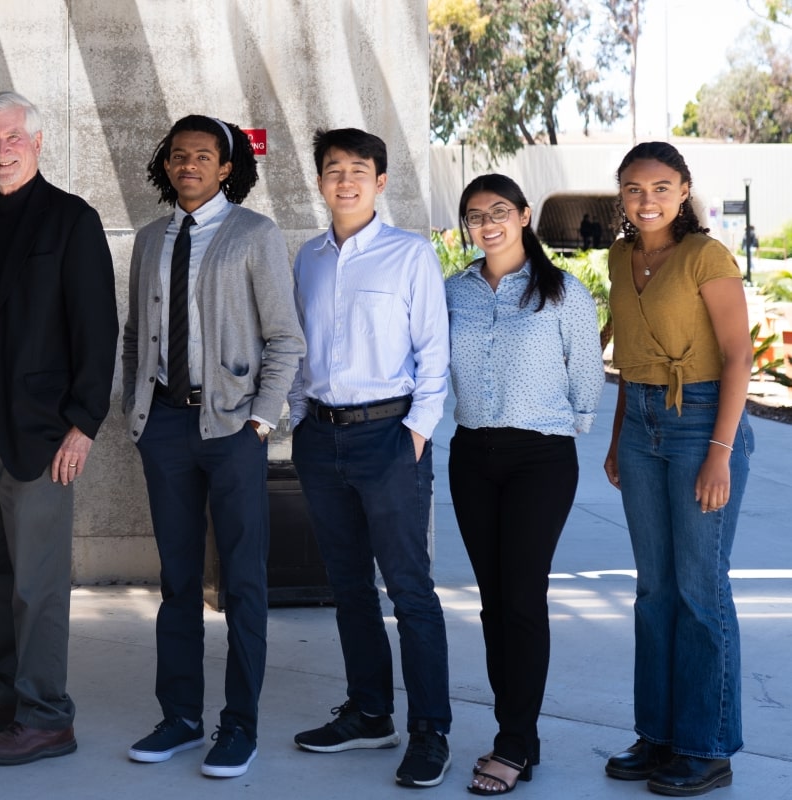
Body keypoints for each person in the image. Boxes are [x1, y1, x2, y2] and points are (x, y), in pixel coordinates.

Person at [0, 90, 118, 765]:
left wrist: (83, 425)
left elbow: (98, 331)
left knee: (36, 581)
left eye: (12, 138)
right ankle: (6, 693)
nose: (1, 150)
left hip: (39, 427)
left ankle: (47, 715)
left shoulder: (72, 220)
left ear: (36, 142)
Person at [120, 115, 303, 779]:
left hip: (232, 432)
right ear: (165, 165)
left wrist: (260, 421)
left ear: (226, 168)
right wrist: (135, 410)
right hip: (165, 428)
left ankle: (240, 725)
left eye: (203, 155)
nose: (189, 164)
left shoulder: (253, 234)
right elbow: (136, 334)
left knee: (243, 582)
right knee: (175, 581)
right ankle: (181, 717)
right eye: (178, 154)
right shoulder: (149, 239)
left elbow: (285, 338)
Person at [288, 128, 453, 788]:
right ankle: (370, 712)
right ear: (321, 181)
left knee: (410, 590)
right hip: (320, 439)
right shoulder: (306, 258)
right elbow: (297, 350)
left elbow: (434, 356)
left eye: (359, 170)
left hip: (390, 437)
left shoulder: (409, 255)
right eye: (334, 170)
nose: (346, 181)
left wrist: (414, 435)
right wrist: (299, 423)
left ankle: (430, 729)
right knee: (348, 586)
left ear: (381, 181)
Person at [601, 142, 753, 798]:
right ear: (622, 197)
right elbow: (629, 358)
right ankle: (658, 735)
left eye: (661, 187)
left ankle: (706, 747)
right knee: (653, 591)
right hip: (640, 427)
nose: (647, 199)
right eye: (634, 189)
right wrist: (616, 441)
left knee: (699, 590)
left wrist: (720, 451)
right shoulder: (619, 255)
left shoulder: (705, 256)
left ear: (684, 189)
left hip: (701, 424)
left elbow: (739, 357)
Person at [446, 174, 605, 795]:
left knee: (522, 597)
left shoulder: (564, 292)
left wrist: (560, 423)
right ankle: (518, 734)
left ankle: (514, 740)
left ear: (524, 215)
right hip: (471, 457)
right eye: (475, 215)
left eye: (499, 211)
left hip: (540, 457)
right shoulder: (452, 291)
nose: (488, 224)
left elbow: (585, 380)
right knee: (491, 600)